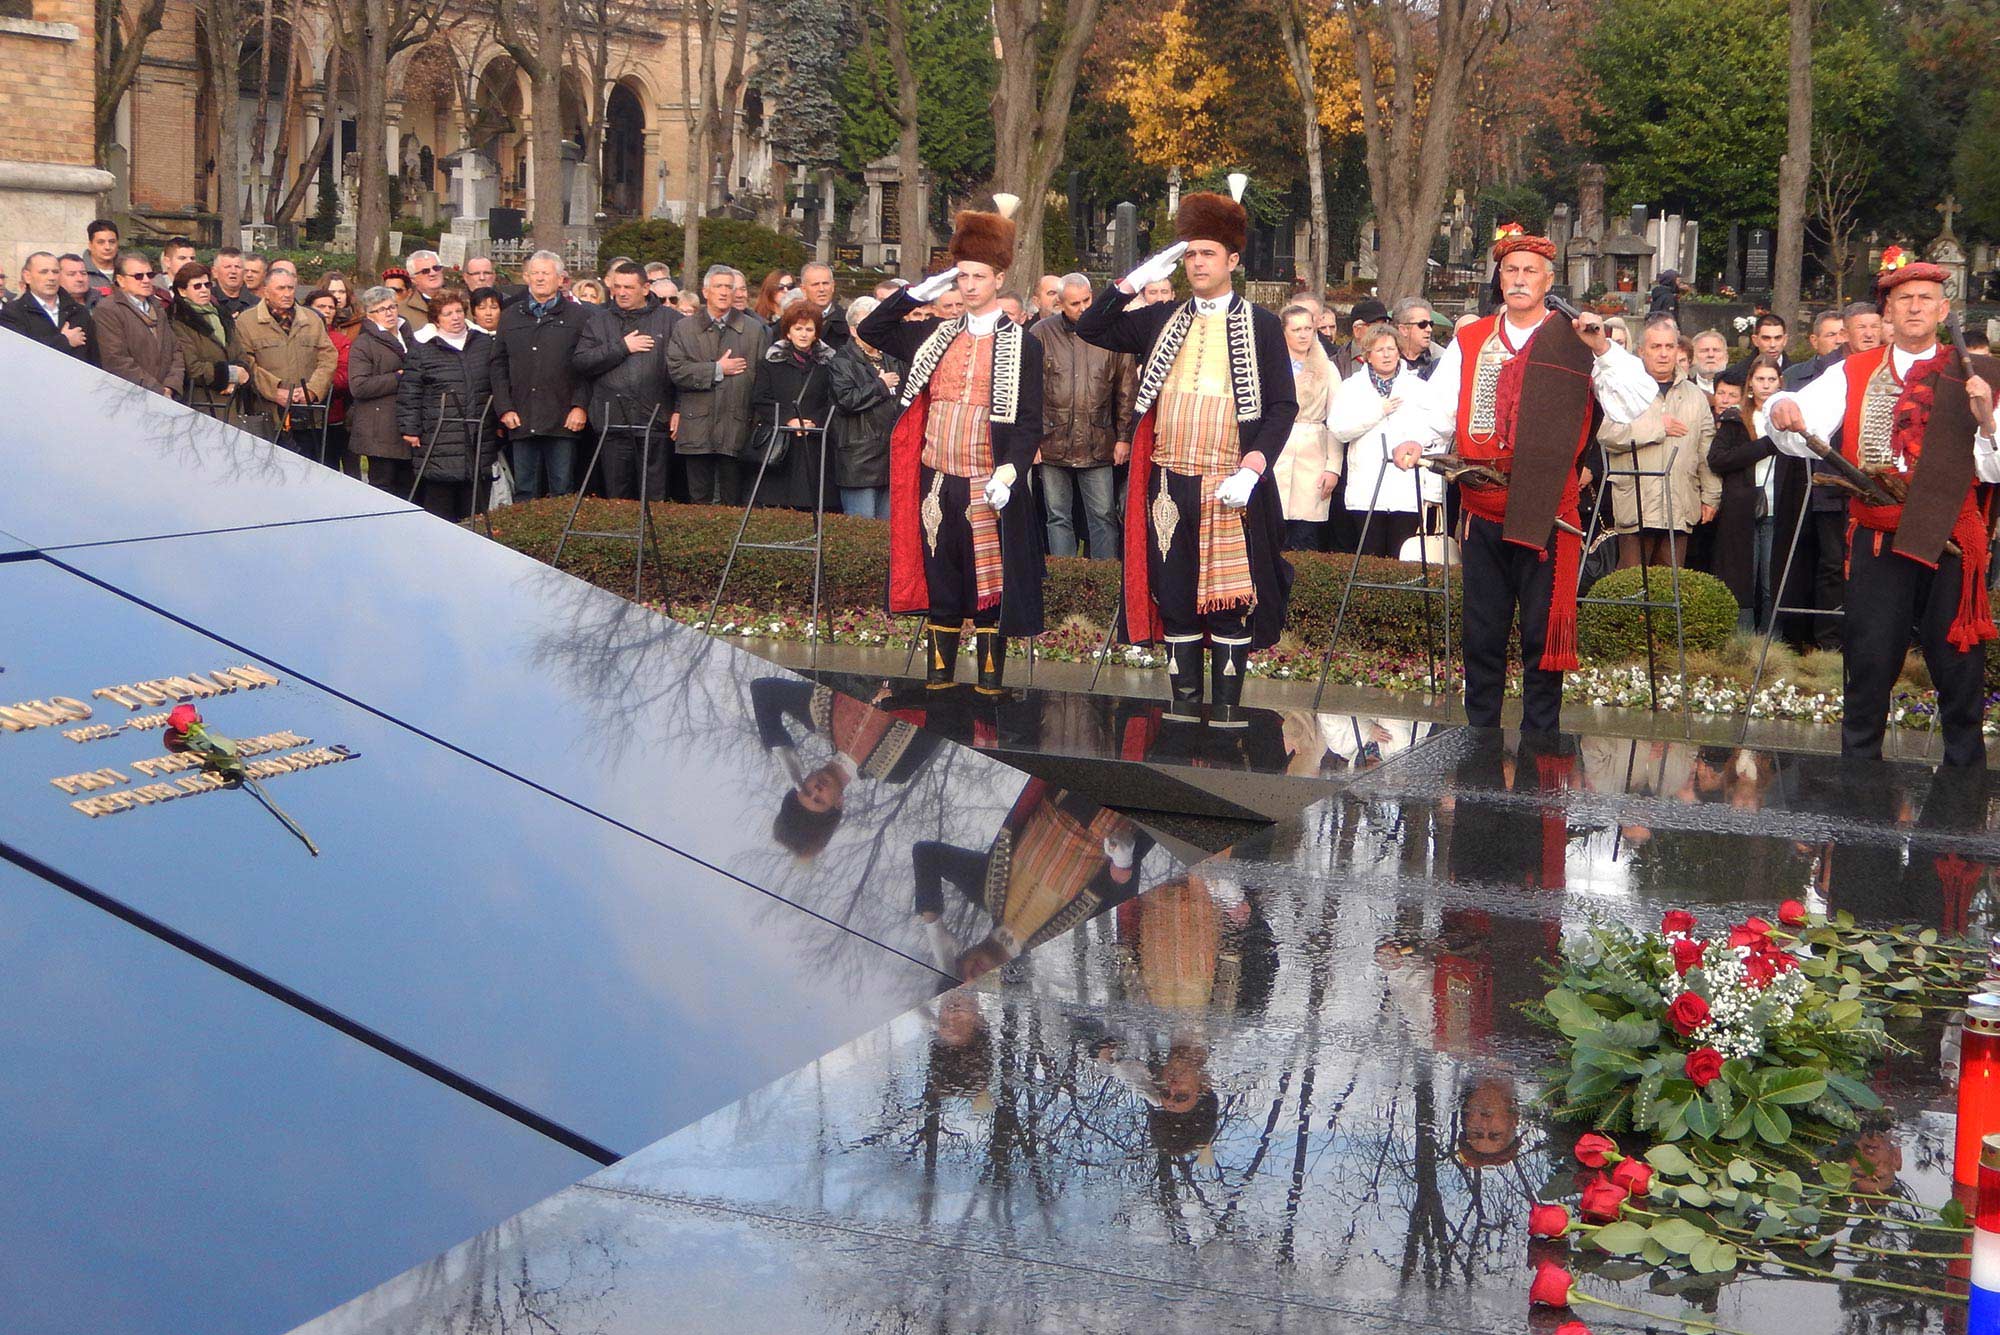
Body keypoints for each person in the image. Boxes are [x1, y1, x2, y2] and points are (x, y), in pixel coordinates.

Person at [1385, 224, 1656, 733]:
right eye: (1510, 270)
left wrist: (1603, 348)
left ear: (1549, 279)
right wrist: (1414, 439)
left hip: (1548, 510)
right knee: (1482, 630)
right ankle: (1480, 734)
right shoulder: (1470, 339)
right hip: (1482, 506)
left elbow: (1635, 401)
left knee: (1539, 632)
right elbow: (1438, 408)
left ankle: (1540, 740)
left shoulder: (1577, 338)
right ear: (1500, 278)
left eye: (1530, 271)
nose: (1519, 279)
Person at [1765, 252, 2000, 766]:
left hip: (1951, 537)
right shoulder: (1855, 369)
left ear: (1944, 310)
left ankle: (1964, 786)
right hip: (1878, 535)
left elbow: (1995, 469)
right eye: (1903, 300)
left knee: (1958, 665)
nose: (1915, 308)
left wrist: (1987, 421)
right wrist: (1780, 410)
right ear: (1887, 313)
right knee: (1869, 662)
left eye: (1925, 299)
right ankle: (1859, 781)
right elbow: (1799, 420)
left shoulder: (1980, 374)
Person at [1076, 191, 1297, 727]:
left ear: (1232, 262)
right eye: (1190, 254)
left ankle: (1226, 713)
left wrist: (1255, 465)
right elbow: (1090, 327)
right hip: (1170, 479)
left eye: (1208, 254)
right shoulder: (1160, 318)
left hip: (1231, 482)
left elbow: (1283, 405)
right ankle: (1180, 709)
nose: (1198, 263)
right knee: (1173, 589)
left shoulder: (1263, 325)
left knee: (1229, 598)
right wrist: (1133, 278)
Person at [858, 205, 1047, 693]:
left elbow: (1028, 421)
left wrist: (1011, 471)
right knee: (939, 569)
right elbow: (873, 331)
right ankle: (938, 678)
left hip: (987, 478)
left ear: (999, 278)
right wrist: (917, 292)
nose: (967, 285)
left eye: (978, 276)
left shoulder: (1023, 344)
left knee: (988, 581)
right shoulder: (934, 334)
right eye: (961, 276)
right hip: (936, 474)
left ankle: (989, 682)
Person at [1596, 315, 1719, 570]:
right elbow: (1607, 434)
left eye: (1669, 347)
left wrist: (1711, 496)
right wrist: (1656, 428)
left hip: (1680, 504)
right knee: (1632, 585)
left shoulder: (1696, 397)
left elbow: (1706, 450)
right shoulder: (1625, 388)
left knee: (1669, 586)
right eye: (1655, 347)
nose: (1663, 354)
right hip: (1636, 504)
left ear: (1678, 350)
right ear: (1641, 351)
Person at [1033, 272, 1135, 560]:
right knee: (1057, 515)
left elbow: (1126, 389)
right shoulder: (1041, 333)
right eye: (1074, 303)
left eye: (1087, 301)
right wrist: (1031, 440)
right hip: (1052, 438)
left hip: (1098, 438)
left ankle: (1104, 581)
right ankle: (1064, 579)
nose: (1082, 308)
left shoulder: (1112, 332)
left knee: (1103, 515)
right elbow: (1029, 390)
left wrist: (1124, 437)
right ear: (1060, 303)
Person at [490, 250, 593, 500]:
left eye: (545, 273)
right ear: (526, 277)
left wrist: (580, 406)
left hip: (563, 418)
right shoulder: (511, 315)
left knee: (562, 487)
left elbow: (587, 366)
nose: (539, 279)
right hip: (521, 416)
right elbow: (498, 364)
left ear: (560, 279)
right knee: (524, 488)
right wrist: (504, 408)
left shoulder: (579, 317)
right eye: (534, 273)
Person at [573, 260, 680, 500]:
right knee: (617, 496)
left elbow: (682, 368)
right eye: (617, 287)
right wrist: (622, 347)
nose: (621, 293)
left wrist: (679, 409)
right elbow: (582, 362)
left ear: (645, 288)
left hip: (655, 421)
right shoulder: (599, 321)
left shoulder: (671, 320)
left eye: (629, 287)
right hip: (612, 423)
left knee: (654, 496)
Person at [1330, 321, 1437, 555]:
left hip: (1407, 486)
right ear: (1368, 356)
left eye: (1391, 349)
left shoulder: (1418, 387)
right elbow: (1338, 428)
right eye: (1380, 350)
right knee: (1369, 557)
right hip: (1366, 489)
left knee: (1403, 555)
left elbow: (1433, 428)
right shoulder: (1350, 388)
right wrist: (1378, 412)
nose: (1387, 355)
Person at [664, 264, 768, 505]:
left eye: (729, 287)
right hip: (696, 427)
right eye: (718, 286)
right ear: (705, 291)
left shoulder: (753, 331)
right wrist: (717, 370)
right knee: (699, 498)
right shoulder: (684, 328)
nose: (724, 292)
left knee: (732, 499)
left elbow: (762, 380)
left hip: (737, 427)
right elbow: (676, 371)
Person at [398, 287, 498, 520]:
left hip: (479, 432)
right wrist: (410, 428)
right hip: (439, 435)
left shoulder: (484, 343)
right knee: (440, 507)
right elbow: (410, 391)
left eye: (458, 311)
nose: (455, 317)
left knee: (475, 511)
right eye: (447, 313)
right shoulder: (423, 349)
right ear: (436, 319)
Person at [228, 265, 337, 453]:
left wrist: (312, 390)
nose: (287, 293)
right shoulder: (246, 322)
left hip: (308, 415)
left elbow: (328, 357)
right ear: (266, 292)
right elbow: (246, 363)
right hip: (266, 414)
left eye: (290, 288)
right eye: (281, 288)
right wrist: (275, 390)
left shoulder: (312, 319)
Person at [1704, 363, 1779, 630]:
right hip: (1742, 509)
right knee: (1741, 578)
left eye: (1772, 378)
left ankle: (1773, 640)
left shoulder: (1788, 417)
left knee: (1773, 580)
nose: (1766, 384)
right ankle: (1742, 641)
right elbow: (1717, 459)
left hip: (1778, 507)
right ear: (1750, 383)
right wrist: (1764, 446)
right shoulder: (1736, 418)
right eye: (1760, 378)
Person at [750, 303, 838, 508]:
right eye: (798, 328)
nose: (804, 334)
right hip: (782, 441)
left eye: (809, 329)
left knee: (811, 501)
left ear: (816, 333)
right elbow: (760, 399)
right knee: (778, 502)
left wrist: (813, 421)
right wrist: (789, 419)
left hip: (815, 439)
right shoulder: (770, 362)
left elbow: (833, 399)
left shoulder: (829, 364)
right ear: (788, 332)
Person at [827, 295, 904, 519]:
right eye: (864, 324)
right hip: (859, 459)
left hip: (890, 455)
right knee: (862, 526)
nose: (872, 329)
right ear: (852, 330)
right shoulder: (842, 361)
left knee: (886, 532)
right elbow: (846, 400)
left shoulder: (892, 357)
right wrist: (880, 385)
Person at [1269, 302, 1338, 552]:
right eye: (1296, 329)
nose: (1303, 334)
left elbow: (1336, 420)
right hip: (1277, 451)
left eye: (1308, 328)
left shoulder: (1327, 368)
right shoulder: (1271, 366)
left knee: (1305, 535)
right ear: (1284, 332)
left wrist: (1333, 468)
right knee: (1273, 531)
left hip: (1314, 453)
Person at [346, 285, 416, 495]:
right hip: (379, 429)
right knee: (383, 487)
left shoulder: (408, 335)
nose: (389, 313)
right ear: (370, 315)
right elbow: (358, 386)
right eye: (382, 309)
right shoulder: (363, 344)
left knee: (409, 487)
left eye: (392, 307)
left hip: (407, 423)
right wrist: (399, 378)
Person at [92, 253, 184, 397]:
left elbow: (175, 350)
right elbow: (116, 360)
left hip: (167, 396)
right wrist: (156, 389)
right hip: (129, 396)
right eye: (138, 276)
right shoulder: (108, 309)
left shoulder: (157, 306)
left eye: (150, 275)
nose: (146, 280)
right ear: (120, 280)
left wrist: (171, 386)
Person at [167, 262, 246, 414]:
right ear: (182, 291)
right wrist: (231, 375)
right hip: (203, 404)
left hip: (234, 402)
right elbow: (192, 367)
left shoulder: (222, 315)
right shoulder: (178, 321)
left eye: (207, 285)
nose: (204, 290)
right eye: (197, 286)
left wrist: (240, 375)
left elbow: (240, 353)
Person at [0, 251, 94, 362]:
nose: (51, 277)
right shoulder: (12, 312)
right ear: (27, 276)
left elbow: (93, 357)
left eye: (55, 272)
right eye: (44, 272)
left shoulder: (79, 312)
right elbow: (18, 357)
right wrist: (64, 341)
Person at [305, 287, 356, 469]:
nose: (326, 311)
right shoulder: (301, 335)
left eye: (331, 307)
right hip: (299, 414)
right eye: (321, 306)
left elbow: (344, 376)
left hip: (332, 416)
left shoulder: (341, 341)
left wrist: (318, 384)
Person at [797, 261, 848, 348]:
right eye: (815, 284)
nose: (821, 289)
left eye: (825, 283)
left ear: (833, 286)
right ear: (803, 289)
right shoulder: (791, 320)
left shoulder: (847, 322)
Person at [1391, 297, 1439, 378]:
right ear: (1403, 329)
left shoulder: (1441, 358)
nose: (1429, 329)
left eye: (1430, 324)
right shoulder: (1385, 357)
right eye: (1422, 324)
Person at [82, 218, 119, 303]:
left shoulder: (127, 270)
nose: (107, 247)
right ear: (90, 245)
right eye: (101, 242)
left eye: (112, 242)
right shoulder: (80, 272)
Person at [211, 247, 255, 319]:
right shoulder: (208, 300)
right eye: (227, 267)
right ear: (215, 272)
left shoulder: (256, 304)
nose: (233, 271)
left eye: (238, 267)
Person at [154, 237, 196, 303]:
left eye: (192, 258)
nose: (189, 262)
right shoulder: (152, 291)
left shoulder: (203, 288)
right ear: (167, 262)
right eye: (182, 258)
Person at [1690, 329, 1730, 394]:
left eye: (1716, 350)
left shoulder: (1740, 388)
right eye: (1704, 350)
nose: (1711, 355)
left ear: (1726, 357)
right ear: (1693, 357)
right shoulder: (1684, 390)